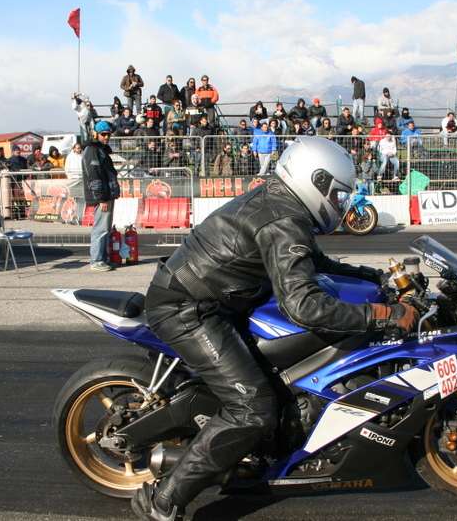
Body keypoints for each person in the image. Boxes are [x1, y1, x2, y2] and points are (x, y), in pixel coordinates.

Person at [133, 137, 417, 521]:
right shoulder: (283, 220)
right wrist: (382, 314)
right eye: (337, 194)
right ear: (316, 181)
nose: (339, 203)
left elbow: (313, 262)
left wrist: (373, 277)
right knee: (252, 408)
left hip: (223, 297)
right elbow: (303, 306)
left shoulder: (284, 204)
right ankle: (164, 500)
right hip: (188, 309)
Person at [82, 121, 120, 271]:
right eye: (103, 134)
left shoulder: (100, 150)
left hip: (106, 194)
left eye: (108, 134)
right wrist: (101, 198)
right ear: (95, 134)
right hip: (102, 196)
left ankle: (103, 259)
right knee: (101, 229)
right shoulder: (92, 150)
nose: (106, 137)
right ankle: (96, 260)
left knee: (106, 229)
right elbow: (94, 176)